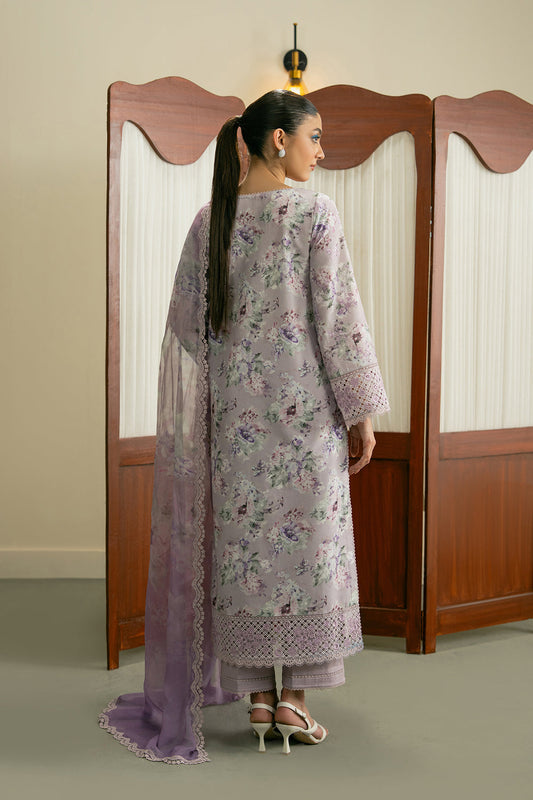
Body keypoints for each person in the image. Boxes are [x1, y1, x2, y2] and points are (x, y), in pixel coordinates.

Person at [99, 89, 389, 764]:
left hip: (235, 430)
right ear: (278, 139)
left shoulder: (212, 221)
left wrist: (239, 373)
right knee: (308, 556)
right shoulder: (314, 213)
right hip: (307, 423)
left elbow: (187, 329)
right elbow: (339, 320)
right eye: (315, 136)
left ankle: (258, 696)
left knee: (248, 557)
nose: (322, 151)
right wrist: (362, 412)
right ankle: (295, 701)